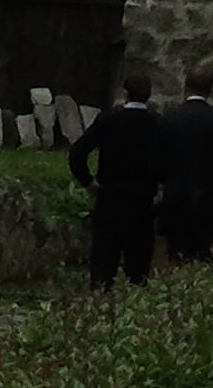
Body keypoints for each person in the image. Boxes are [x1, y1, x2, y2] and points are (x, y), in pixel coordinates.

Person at [68, 70, 162, 287]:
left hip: (109, 201)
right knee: (138, 275)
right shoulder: (156, 124)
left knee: (102, 271)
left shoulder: (108, 119)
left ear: (125, 93)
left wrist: (88, 181)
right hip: (141, 205)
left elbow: (77, 153)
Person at [156, 65, 213, 263]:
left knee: (179, 264)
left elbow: (156, 167)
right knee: (212, 266)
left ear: (185, 89)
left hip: (177, 208)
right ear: (209, 92)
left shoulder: (168, 120)